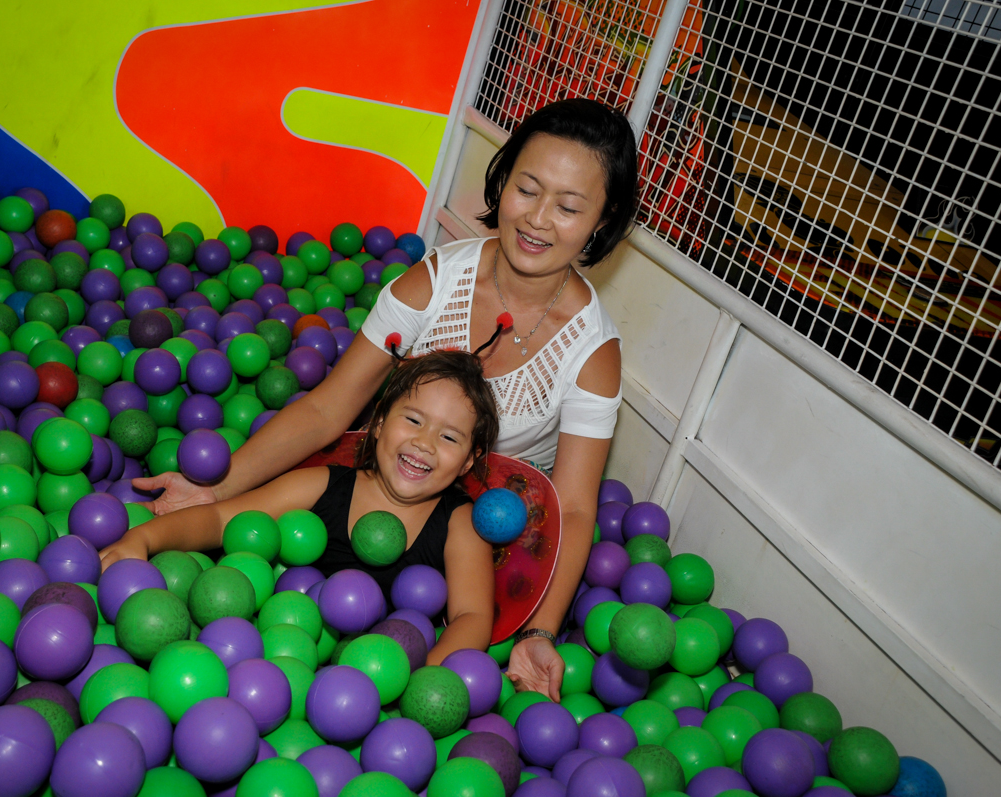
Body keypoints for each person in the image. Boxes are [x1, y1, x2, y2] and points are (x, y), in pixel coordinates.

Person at [132, 98, 638, 700]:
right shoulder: (433, 283)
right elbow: (330, 407)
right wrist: (219, 489)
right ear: (501, 181)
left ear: (602, 223)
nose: (538, 220)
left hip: (490, 524)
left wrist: (544, 632)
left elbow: (576, 508)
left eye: (570, 207)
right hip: (390, 476)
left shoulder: (593, 351)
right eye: (527, 189)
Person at [100, 349, 499, 663]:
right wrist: (144, 538)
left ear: (468, 460)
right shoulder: (322, 484)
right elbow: (223, 518)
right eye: (413, 420)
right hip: (267, 648)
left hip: (382, 674)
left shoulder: (461, 523)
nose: (424, 443)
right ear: (378, 423)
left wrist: (421, 679)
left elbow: (473, 618)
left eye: (449, 438)